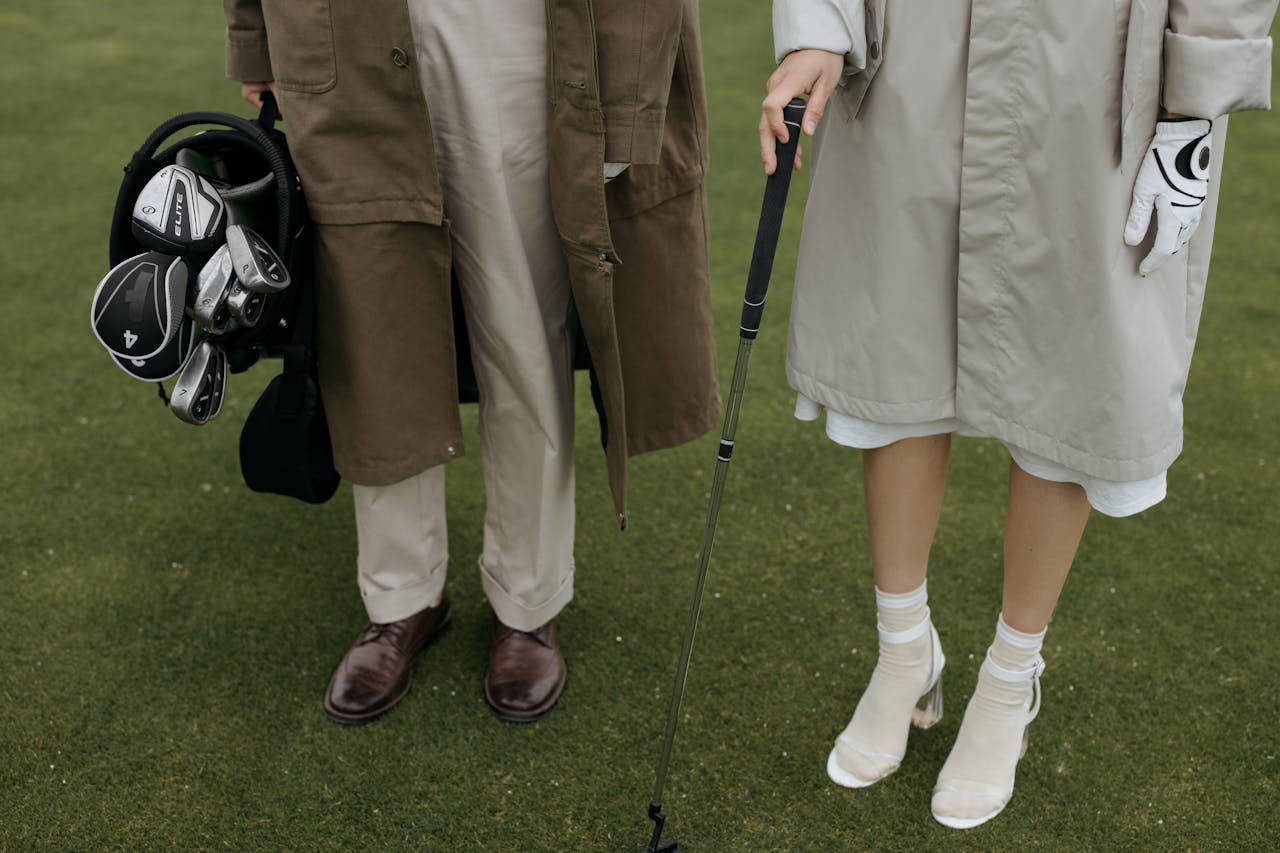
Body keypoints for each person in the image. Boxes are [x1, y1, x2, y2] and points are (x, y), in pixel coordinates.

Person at [760, 0, 1276, 828]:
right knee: (898, 349)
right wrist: (820, 23)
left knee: (1068, 373)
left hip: (1098, 64)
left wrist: (1195, 100)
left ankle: (1009, 678)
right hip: (912, 44)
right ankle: (902, 651)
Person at [222, 0, 719, 724]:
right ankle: (400, 596)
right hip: (338, 30)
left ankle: (528, 596)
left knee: (522, 325)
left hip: (512, 33)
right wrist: (252, 35)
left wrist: (628, 89)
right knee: (371, 323)